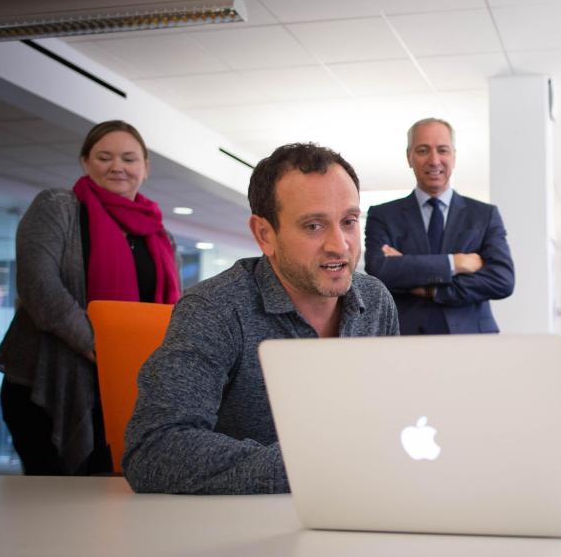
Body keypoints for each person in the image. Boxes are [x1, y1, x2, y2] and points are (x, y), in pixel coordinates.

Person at [123, 143, 398, 494]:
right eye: (314, 226)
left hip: (361, 506)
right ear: (265, 235)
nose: (340, 245)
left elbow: (386, 419)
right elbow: (154, 449)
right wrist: (315, 468)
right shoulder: (215, 308)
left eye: (349, 221)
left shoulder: (376, 301)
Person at [0, 120, 180, 475]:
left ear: (145, 168)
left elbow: (166, 311)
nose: (118, 167)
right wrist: (102, 348)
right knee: (57, 509)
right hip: (50, 385)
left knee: (113, 501)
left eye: (129, 158)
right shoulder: (58, 207)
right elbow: (39, 287)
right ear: (84, 162)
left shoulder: (161, 234)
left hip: (125, 386)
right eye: (104, 157)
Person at [364, 118, 514, 334]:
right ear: (409, 157)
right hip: (406, 339)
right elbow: (380, 271)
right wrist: (455, 263)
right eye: (423, 150)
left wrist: (430, 289)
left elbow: (502, 280)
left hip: (473, 339)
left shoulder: (484, 215)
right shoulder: (383, 215)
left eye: (442, 150)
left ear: (453, 156)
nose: (434, 160)